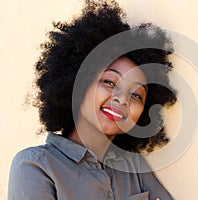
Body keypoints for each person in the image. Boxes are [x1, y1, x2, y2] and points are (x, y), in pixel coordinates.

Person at [8, 0, 177, 199]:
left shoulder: (134, 167)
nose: (122, 99)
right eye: (110, 82)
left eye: (136, 95)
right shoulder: (36, 165)